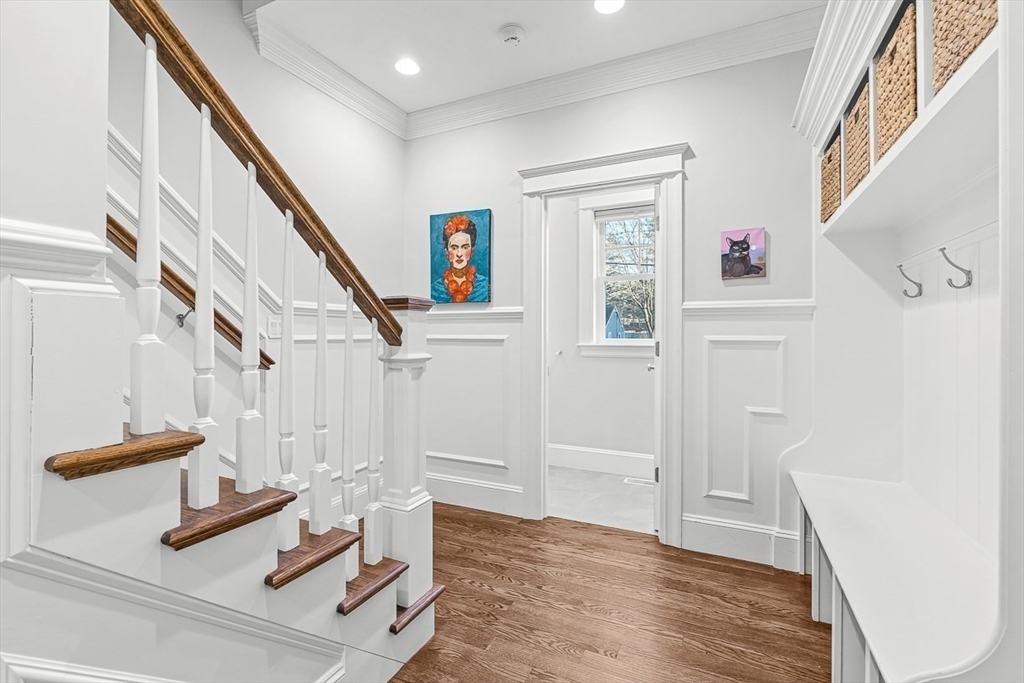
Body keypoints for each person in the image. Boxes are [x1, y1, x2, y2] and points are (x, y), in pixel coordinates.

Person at [431, 214, 489, 303]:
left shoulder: (483, 286)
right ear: (447, 252)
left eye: (465, 247)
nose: (459, 254)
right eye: (454, 248)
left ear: (471, 251)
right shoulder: (435, 289)